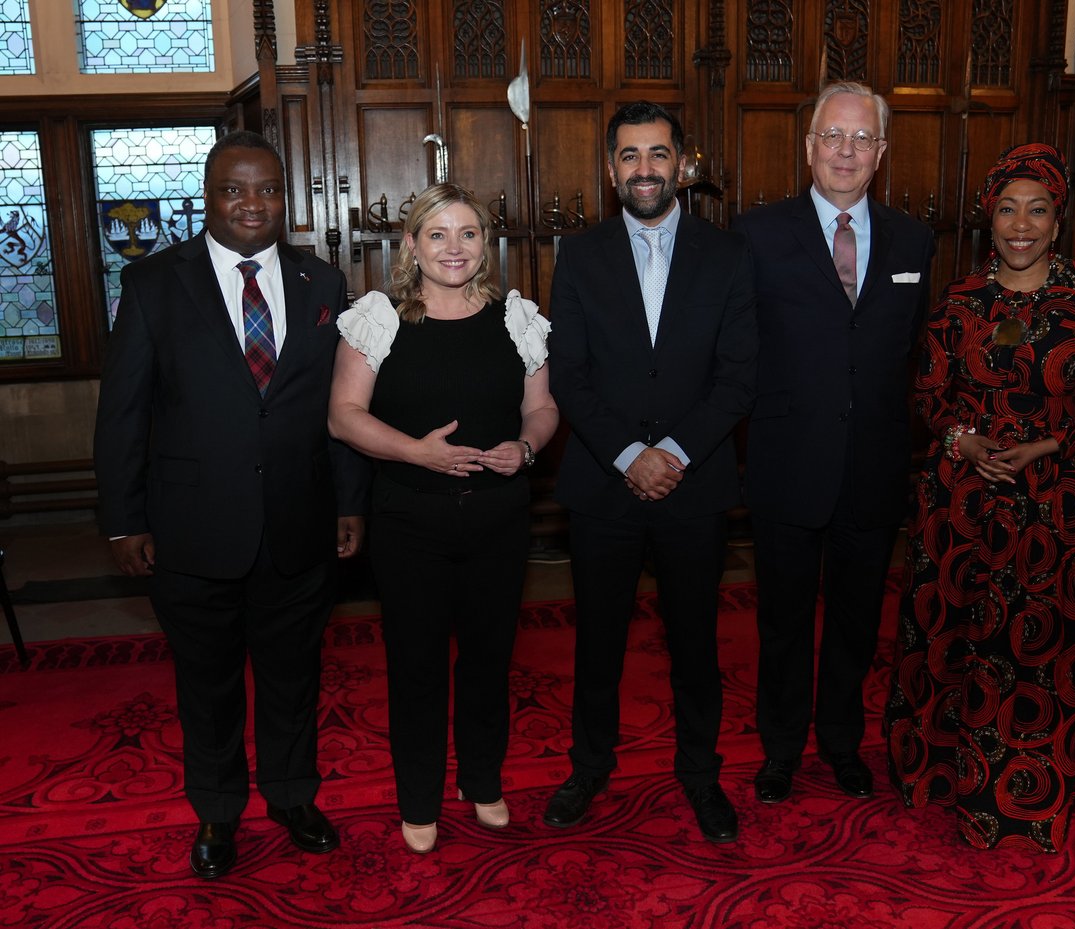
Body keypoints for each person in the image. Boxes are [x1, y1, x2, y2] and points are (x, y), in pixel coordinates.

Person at [93, 130, 370, 879]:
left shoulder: (323, 282)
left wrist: (349, 501)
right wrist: (124, 517)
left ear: (287, 197)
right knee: (206, 686)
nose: (253, 203)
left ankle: (291, 796)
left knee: (294, 677)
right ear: (207, 197)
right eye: (234, 189)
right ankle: (217, 813)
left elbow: (338, 409)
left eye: (268, 189)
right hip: (190, 531)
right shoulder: (154, 284)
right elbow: (123, 411)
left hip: (298, 522)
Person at [881, 143, 1075, 852]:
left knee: (1035, 651)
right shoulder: (960, 302)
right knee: (949, 639)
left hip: (1052, 509)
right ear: (989, 219)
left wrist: (1047, 448)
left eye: (1038, 210)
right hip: (958, 506)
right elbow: (928, 395)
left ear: (1058, 224)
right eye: (1007, 209)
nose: (1020, 224)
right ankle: (935, 773)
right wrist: (961, 439)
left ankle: (1021, 796)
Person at [543, 101, 757, 844]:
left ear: (682, 164)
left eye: (658, 154)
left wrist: (675, 453)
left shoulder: (728, 255)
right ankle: (589, 766)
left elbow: (738, 375)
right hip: (604, 483)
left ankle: (701, 775)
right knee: (597, 640)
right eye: (630, 156)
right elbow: (568, 373)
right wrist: (632, 455)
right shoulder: (580, 255)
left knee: (696, 642)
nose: (644, 169)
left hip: (695, 485)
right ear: (611, 170)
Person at [327, 183, 557, 855]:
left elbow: (542, 407)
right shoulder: (380, 318)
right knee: (418, 665)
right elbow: (343, 415)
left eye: (468, 234)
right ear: (411, 244)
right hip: (409, 523)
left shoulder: (516, 317)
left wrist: (528, 445)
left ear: (487, 245)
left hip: (499, 521)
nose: (453, 248)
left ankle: (483, 780)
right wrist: (418, 454)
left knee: (489, 660)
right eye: (437, 234)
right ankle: (419, 796)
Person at [733, 82, 935, 805]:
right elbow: (740, 351)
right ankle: (782, 748)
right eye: (832, 137)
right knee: (783, 621)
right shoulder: (756, 234)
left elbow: (908, 347)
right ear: (809, 145)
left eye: (861, 139)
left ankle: (843, 744)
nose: (846, 151)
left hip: (875, 467)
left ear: (880, 152)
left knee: (856, 621)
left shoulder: (914, 239)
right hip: (787, 465)